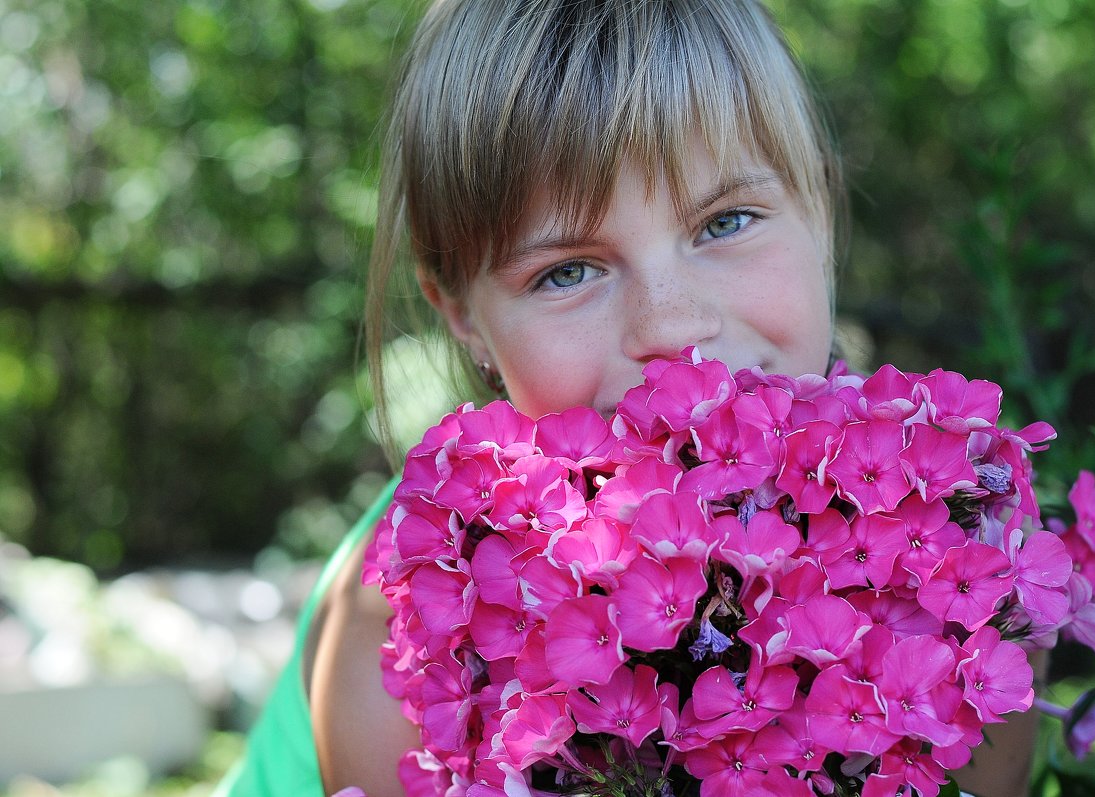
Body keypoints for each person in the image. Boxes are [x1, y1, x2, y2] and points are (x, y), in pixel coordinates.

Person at [215, 1, 1042, 796]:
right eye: (566, 271)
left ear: (818, 205)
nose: (675, 328)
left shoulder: (969, 551)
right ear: (463, 314)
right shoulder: (400, 629)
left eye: (726, 222)